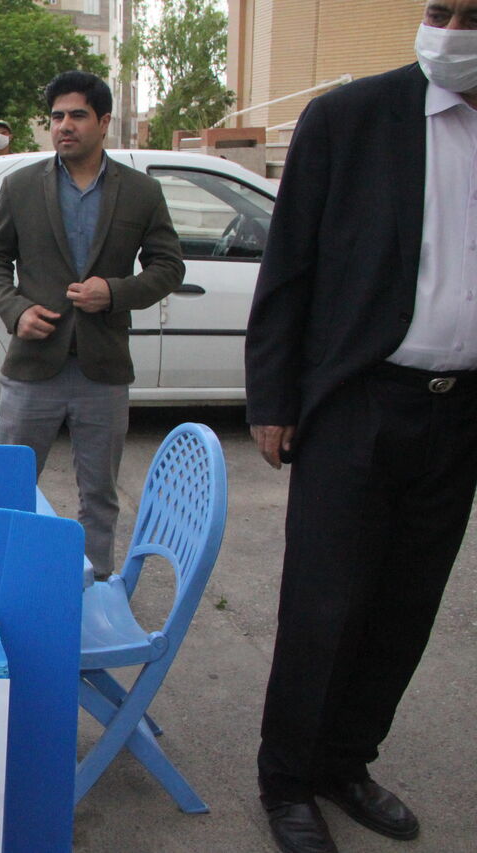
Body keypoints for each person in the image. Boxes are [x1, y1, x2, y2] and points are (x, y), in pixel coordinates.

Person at [245, 5, 477, 852]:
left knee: (406, 603)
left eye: (472, 13)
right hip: (358, 401)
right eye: (439, 9)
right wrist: (273, 397)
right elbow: (290, 261)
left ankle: (347, 761)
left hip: (459, 413)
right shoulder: (351, 117)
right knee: (325, 600)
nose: (450, 28)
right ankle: (287, 777)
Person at [0, 70, 183, 578]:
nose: (64, 126)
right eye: (57, 117)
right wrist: (16, 310)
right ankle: (10, 582)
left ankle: (94, 591)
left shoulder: (140, 192)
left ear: (104, 121)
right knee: (11, 489)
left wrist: (113, 292)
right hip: (32, 367)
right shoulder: (21, 186)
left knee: (99, 496)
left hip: (102, 370)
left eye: (77, 116)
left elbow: (168, 267)